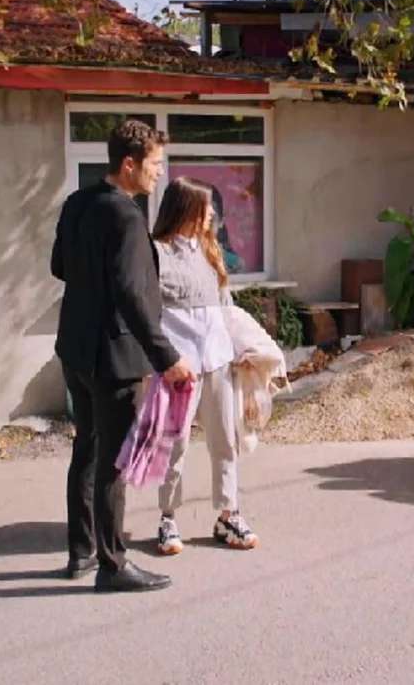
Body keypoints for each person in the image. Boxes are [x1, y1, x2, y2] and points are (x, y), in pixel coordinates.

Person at [52, 119, 196, 593]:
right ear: (129, 164)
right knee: (113, 463)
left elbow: (59, 266)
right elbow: (133, 295)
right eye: (155, 163)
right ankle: (113, 565)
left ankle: (81, 552)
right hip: (114, 357)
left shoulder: (78, 203)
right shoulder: (127, 217)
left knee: (87, 451)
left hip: (76, 349)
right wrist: (167, 358)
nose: (160, 172)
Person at [150, 177, 260, 554]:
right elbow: (146, 312)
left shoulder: (211, 250)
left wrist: (241, 348)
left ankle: (229, 514)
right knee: (174, 443)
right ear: (186, 208)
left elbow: (226, 306)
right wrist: (158, 359)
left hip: (218, 359)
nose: (212, 213)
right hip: (178, 366)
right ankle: (168, 517)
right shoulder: (156, 253)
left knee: (225, 439)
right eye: (206, 206)